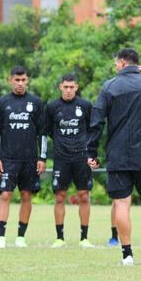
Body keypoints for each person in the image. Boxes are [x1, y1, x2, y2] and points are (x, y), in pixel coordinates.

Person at [88, 48, 141, 266]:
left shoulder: (109, 86)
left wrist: (91, 152)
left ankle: (127, 254)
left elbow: (96, 122)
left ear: (121, 63)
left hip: (118, 155)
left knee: (121, 202)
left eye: (115, 63)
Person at [0, 65, 46, 248]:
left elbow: (42, 133)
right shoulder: (2, 103)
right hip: (8, 159)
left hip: (30, 159)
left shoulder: (36, 103)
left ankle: (21, 237)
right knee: (5, 194)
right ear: (10, 80)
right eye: (17, 80)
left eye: (23, 80)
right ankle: (1, 237)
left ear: (27, 80)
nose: (20, 83)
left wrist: (42, 157)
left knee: (26, 195)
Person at [43, 74, 94, 248]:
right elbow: (48, 131)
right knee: (60, 197)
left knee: (84, 196)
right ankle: (59, 238)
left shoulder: (86, 106)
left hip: (81, 158)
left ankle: (84, 238)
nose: (69, 90)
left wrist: (91, 154)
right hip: (61, 158)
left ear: (77, 87)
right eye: (66, 87)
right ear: (60, 87)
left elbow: (92, 130)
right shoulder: (52, 107)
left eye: (72, 87)